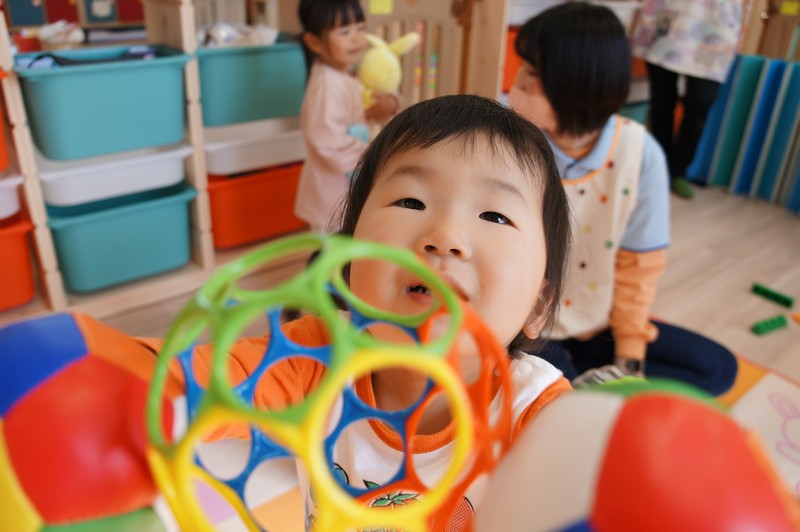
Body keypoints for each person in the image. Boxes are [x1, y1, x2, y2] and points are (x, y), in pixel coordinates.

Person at [141, 95, 573, 529]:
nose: (445, 236)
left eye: (494, 215)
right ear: (347, 261)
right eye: (411, 202)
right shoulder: (313, 357)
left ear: (539, 304)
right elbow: (183, 381)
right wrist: (125, 377)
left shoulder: (539, 416)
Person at [508, 2, 737, 395]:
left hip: (595, 322)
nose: (518, 81)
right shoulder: (511, 142)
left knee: (716, 369)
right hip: (528, 326)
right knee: (553, 396)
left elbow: (639, 267)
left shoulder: (639, 153)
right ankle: (569, 384)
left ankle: (578, 381)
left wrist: (629, 360)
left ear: (575, 87)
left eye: (531, 72)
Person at [293, 0, 400, 232]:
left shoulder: (348, 72)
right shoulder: (326, 85)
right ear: (314, 42)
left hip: (347, 182)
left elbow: (368, 100)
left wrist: (387, 103)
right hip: (330, 190)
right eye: (344, 32)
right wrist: (372, 156)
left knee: (348, 235)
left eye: (360, 28)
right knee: (332, 244)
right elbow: (328, 142)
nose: (357, 38)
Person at [630, 0, 745, 199]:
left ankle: (678, 170)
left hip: (716, 25)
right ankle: (658, 166)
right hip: (668, 15)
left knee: (701, 102)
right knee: (661, 101)